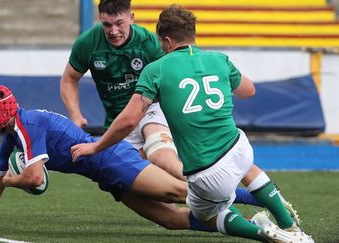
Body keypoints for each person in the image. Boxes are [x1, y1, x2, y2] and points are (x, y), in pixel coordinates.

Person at [70, 5, 314, 243]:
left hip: (207, 171)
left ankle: (262, 232)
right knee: (245, 163)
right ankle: (289, 225)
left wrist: (95, 146)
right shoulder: (219, 59)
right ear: (193, 35)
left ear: (165, 41)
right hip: (240, 148)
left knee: (206, 215)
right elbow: (249, 90)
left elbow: (130, 120)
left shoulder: (156, 69)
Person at [0, 85, 269, 235]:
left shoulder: (26, 125)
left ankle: (265, 199)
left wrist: (12, 180)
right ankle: (253, 228)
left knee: (181, 192)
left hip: (111, 159)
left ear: (1, 113)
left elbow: (35, 179)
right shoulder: (12, 136)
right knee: (171, 219)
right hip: (105, 174)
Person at [60, 0, 184, 180]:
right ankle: (196, 205)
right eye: (107, 24)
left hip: (148, 109)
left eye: (119, 23)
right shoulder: (88, 43)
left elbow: (171, 81)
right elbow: (69, 79)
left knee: (162, 158)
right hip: (117, 122)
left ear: (131, 18)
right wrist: (75, 115)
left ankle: (213, 196)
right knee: (146, 189)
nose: (113, 31)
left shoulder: (149, 43)